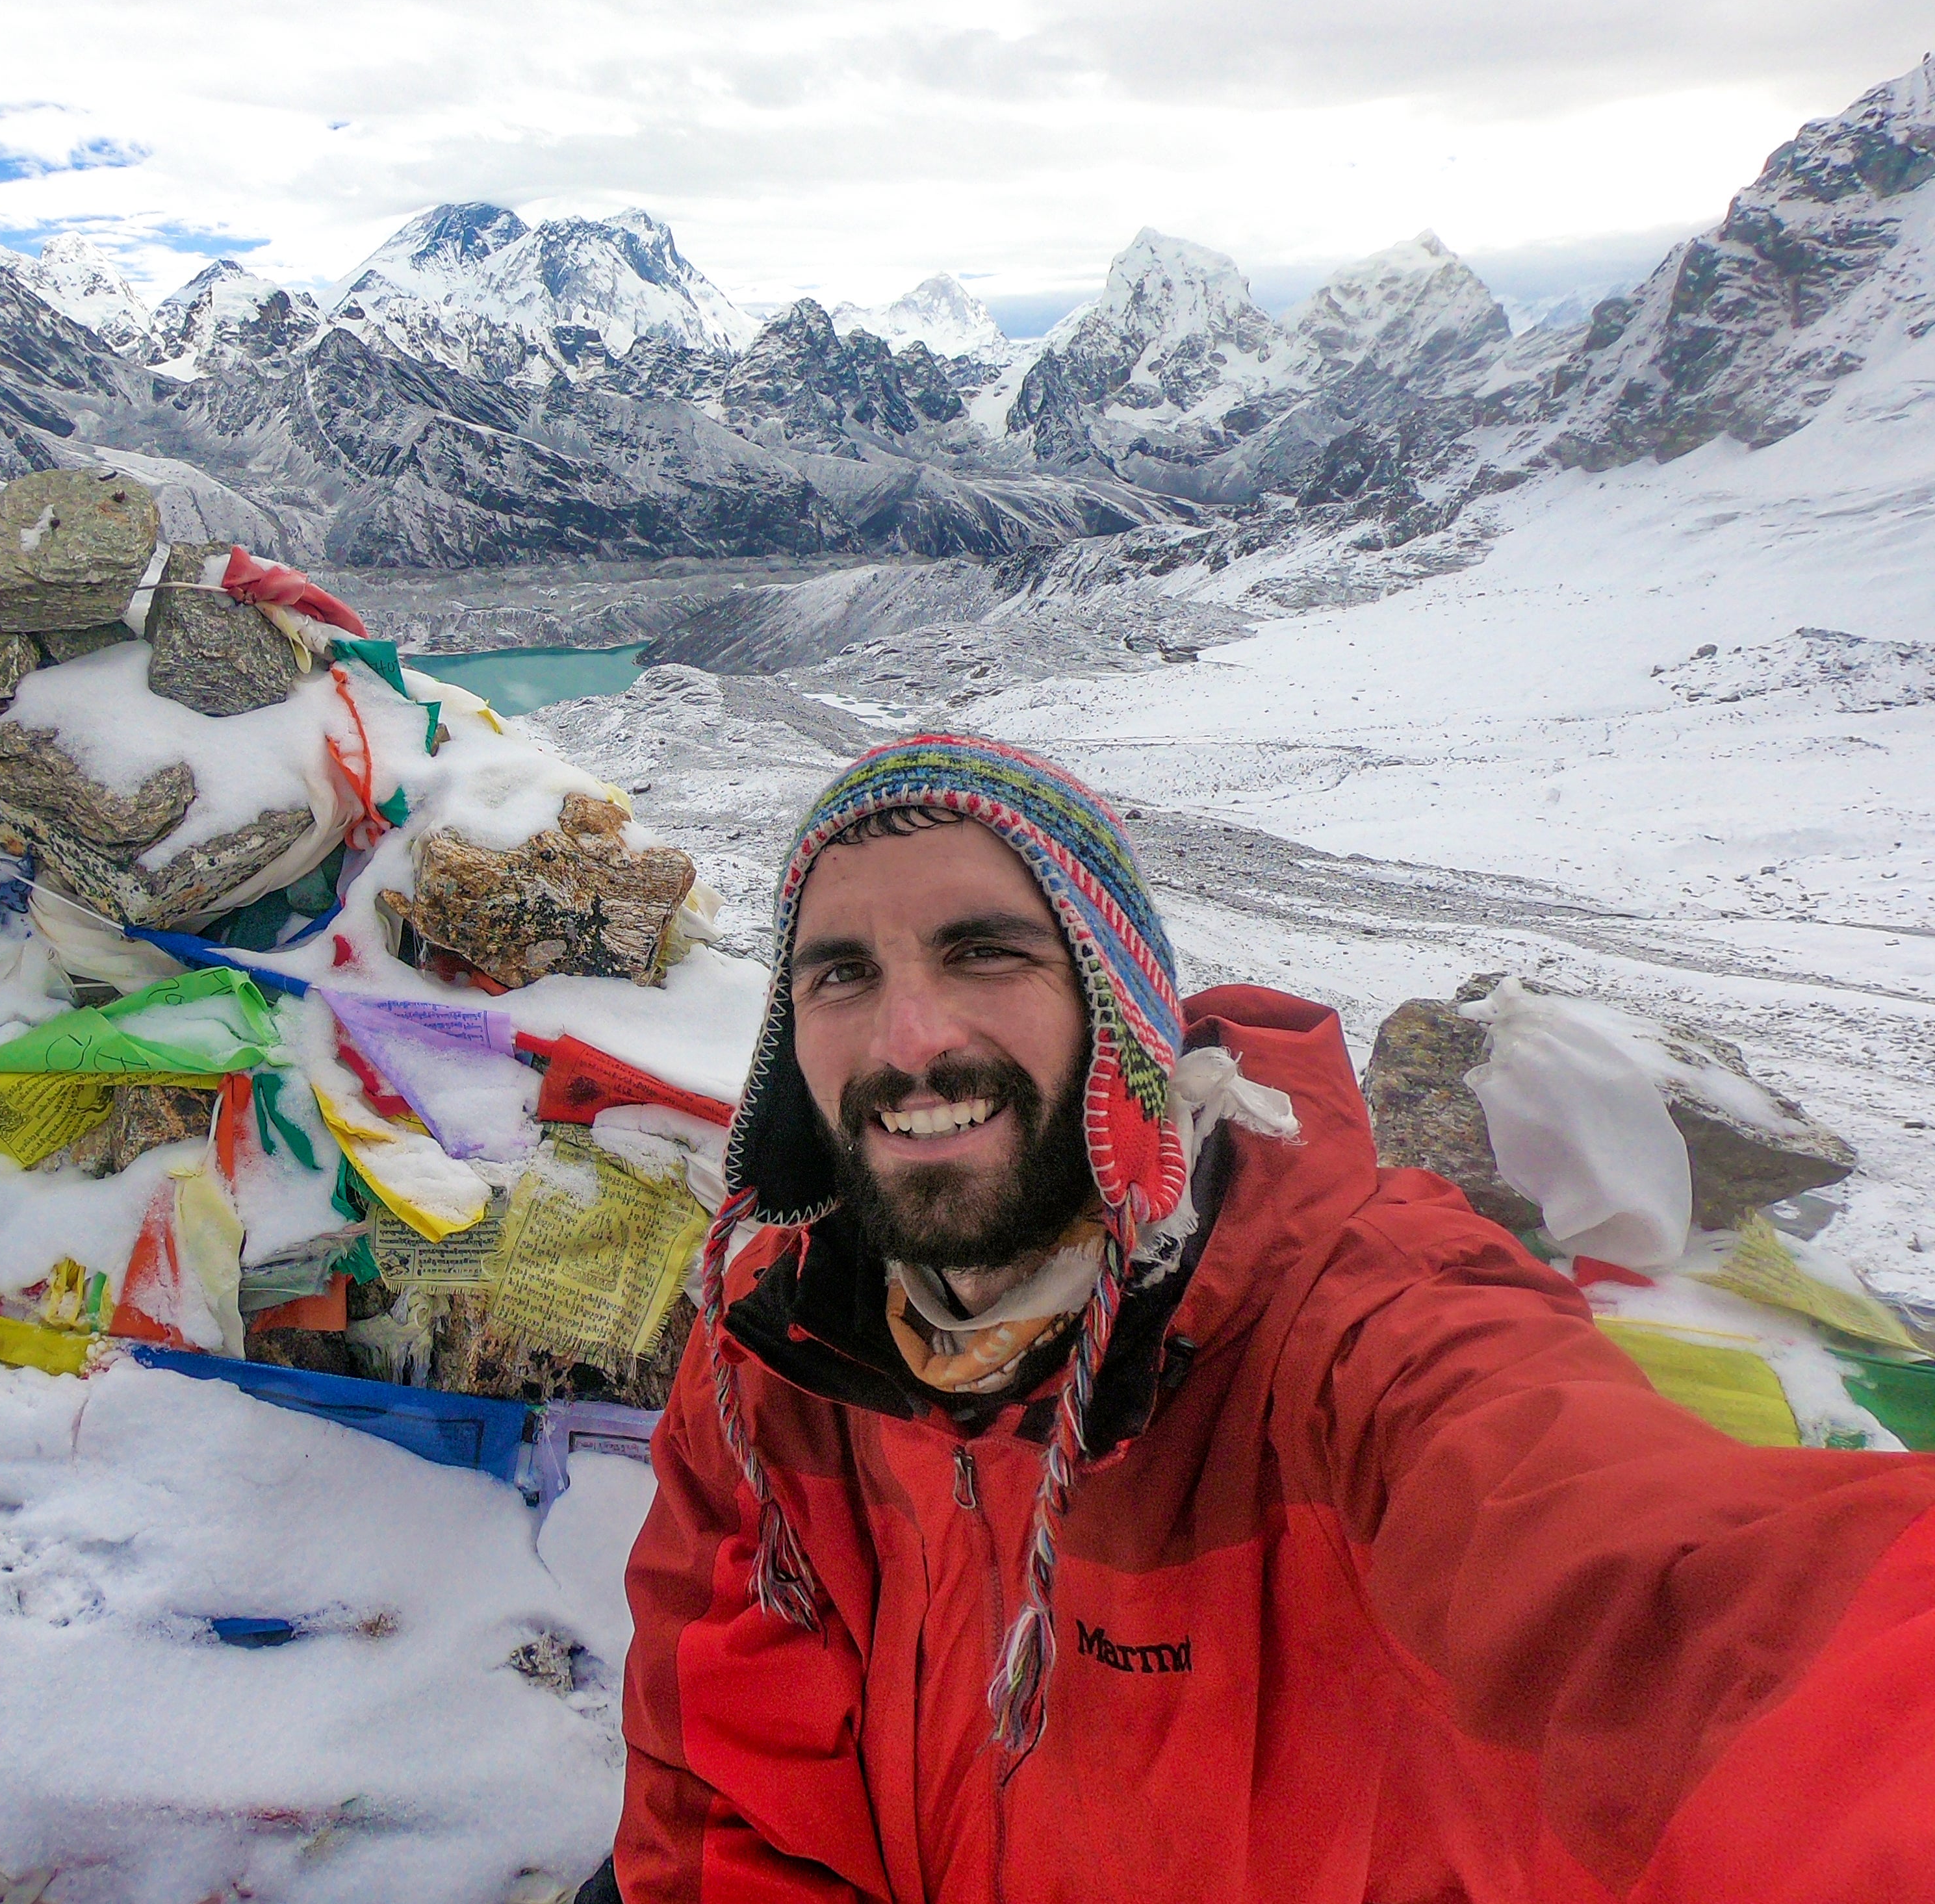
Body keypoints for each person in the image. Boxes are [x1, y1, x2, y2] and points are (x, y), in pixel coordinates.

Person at [602, 733, 1935, 1903]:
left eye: (983, 951)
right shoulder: (774, 1354)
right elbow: (717, 1785)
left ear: (1118, 1008)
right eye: (838, 975)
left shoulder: (1343, 1330)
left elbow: (1667, 1604)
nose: (905, 1038)